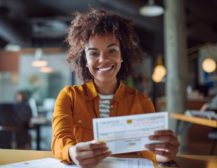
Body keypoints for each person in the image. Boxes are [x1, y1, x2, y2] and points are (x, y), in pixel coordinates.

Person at [51, 8, 180, 168]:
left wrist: (163, 153)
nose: (103, 59)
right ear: (85, 60)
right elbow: (59, 139)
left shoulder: (141, 102)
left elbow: (150, 149)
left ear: (121, 56)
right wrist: (72, 152)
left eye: (112, 50)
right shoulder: (68, 97)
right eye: (93, 53)